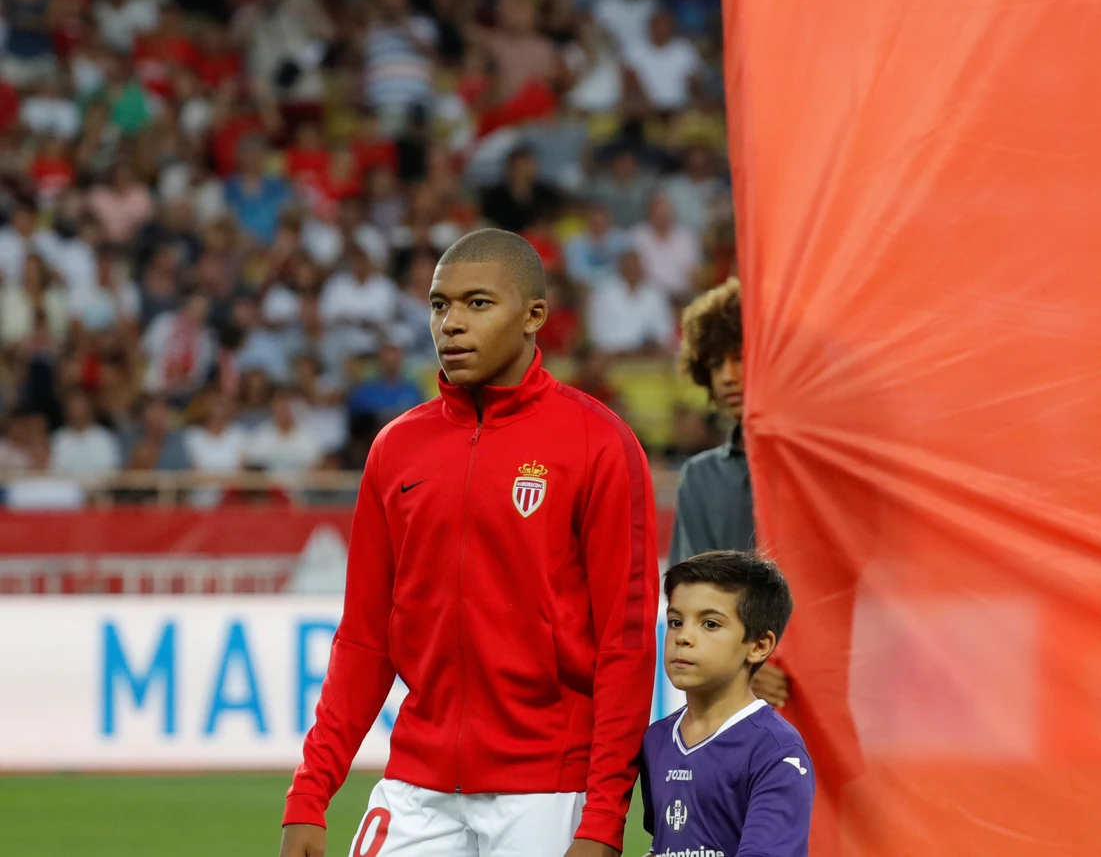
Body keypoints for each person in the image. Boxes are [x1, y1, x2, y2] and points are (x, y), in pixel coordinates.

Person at [282, 228, 656, 857]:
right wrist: (310, 793)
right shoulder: (396, 448)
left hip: (546, 789)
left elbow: (624, 644)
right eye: (439, 305)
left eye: (477, 304)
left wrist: (602, 820)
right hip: (416, 785)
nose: (451, 324)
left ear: (534, 315)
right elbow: (366, 635)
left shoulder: (599, 443)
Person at [635, 551, 813, 855]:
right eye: (676, 621)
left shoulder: (776, 749)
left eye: (710, 624)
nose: (683, 637)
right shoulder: (656, 739)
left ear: (758, 646)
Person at [670, 279, 787, 710]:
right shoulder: (700, 477)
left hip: (821, 680)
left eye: (740, 358)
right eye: (716, 364)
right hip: (730, 697)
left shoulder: (815, 470)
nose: (728, 376)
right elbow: (692, 597)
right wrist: (747, 669)